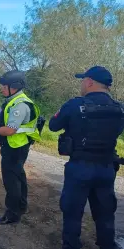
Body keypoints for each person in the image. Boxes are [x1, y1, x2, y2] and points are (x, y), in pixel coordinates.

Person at [48, 66, 124, 249]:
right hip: (106, 167)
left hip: (80, 167)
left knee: (73, 211)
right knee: (105, 211)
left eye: (83, 80)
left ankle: (71, 244)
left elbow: (53, 126)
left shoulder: (74, 105)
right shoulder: (119, 108)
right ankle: (107, 244)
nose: (82, 84)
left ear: (89, 81)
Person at [0, 70, 41, 225]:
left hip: (15, 147)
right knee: (19, 177)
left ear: (14, 86)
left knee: (11, 181)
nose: (1, 89)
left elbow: (10, 130)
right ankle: (21, 206)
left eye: (3, 86)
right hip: (15, 146)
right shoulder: (12, 100)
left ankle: (12, 214)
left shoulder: (20, 104)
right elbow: (6, 117)